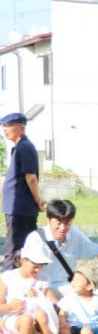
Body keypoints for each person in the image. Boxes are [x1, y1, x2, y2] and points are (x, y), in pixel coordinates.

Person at [21, 199, 98, 294]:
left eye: (67, 223)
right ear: (48, 220)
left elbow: (94, 250)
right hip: (40, 287)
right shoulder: (35, 239)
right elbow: (27, 271)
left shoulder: (74, 233)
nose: (63, 228)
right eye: (58, 223)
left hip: (66, 286)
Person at [0, 246, 62, 334]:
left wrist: (38, 294)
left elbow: (50, 304)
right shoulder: (7, 277)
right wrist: (10, 306)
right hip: (14, 320)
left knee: (41, 314)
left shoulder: (44, 278)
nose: (38, 269)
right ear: (23, 259)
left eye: (42, 266)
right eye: (35, 266)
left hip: (38, 324)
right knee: (26, 319)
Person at [3, 112, 44, 270]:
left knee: (15, 248)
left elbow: (31, 177)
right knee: (21, 246)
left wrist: (38, 200)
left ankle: (6, 282)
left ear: (21, 128)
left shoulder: (25, 147)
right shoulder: (19, 147)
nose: (5, 130)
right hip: (16, 207)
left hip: (20, 207)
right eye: (4, 126)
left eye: (8, 126)